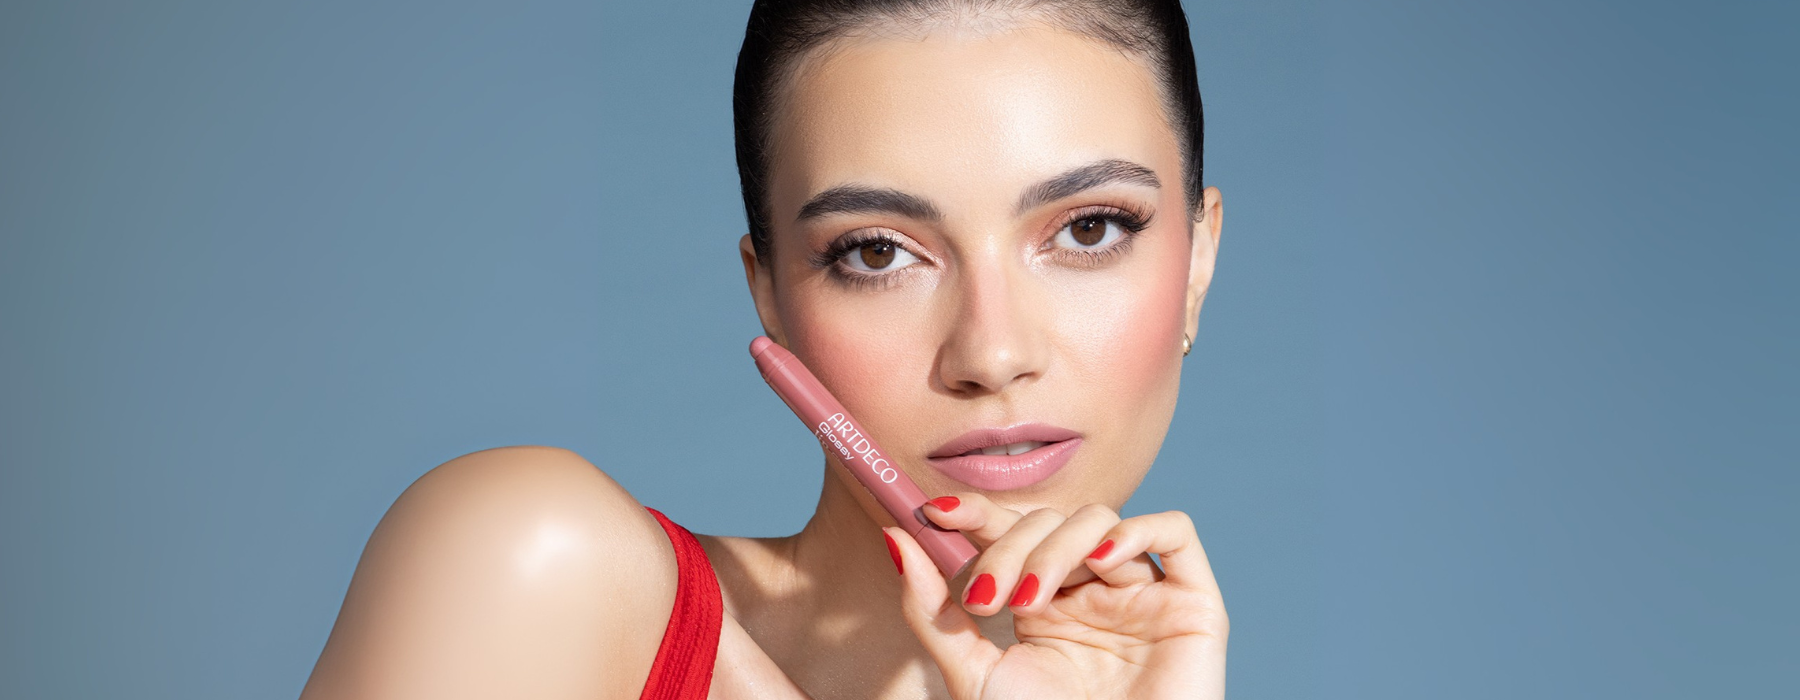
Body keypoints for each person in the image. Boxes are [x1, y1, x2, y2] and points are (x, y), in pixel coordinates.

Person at [300, 1, 1228, 697]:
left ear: (1198, 261)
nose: (991, 350)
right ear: (771, 294)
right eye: (877, 253)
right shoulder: (533, 568)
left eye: (1092, 230)